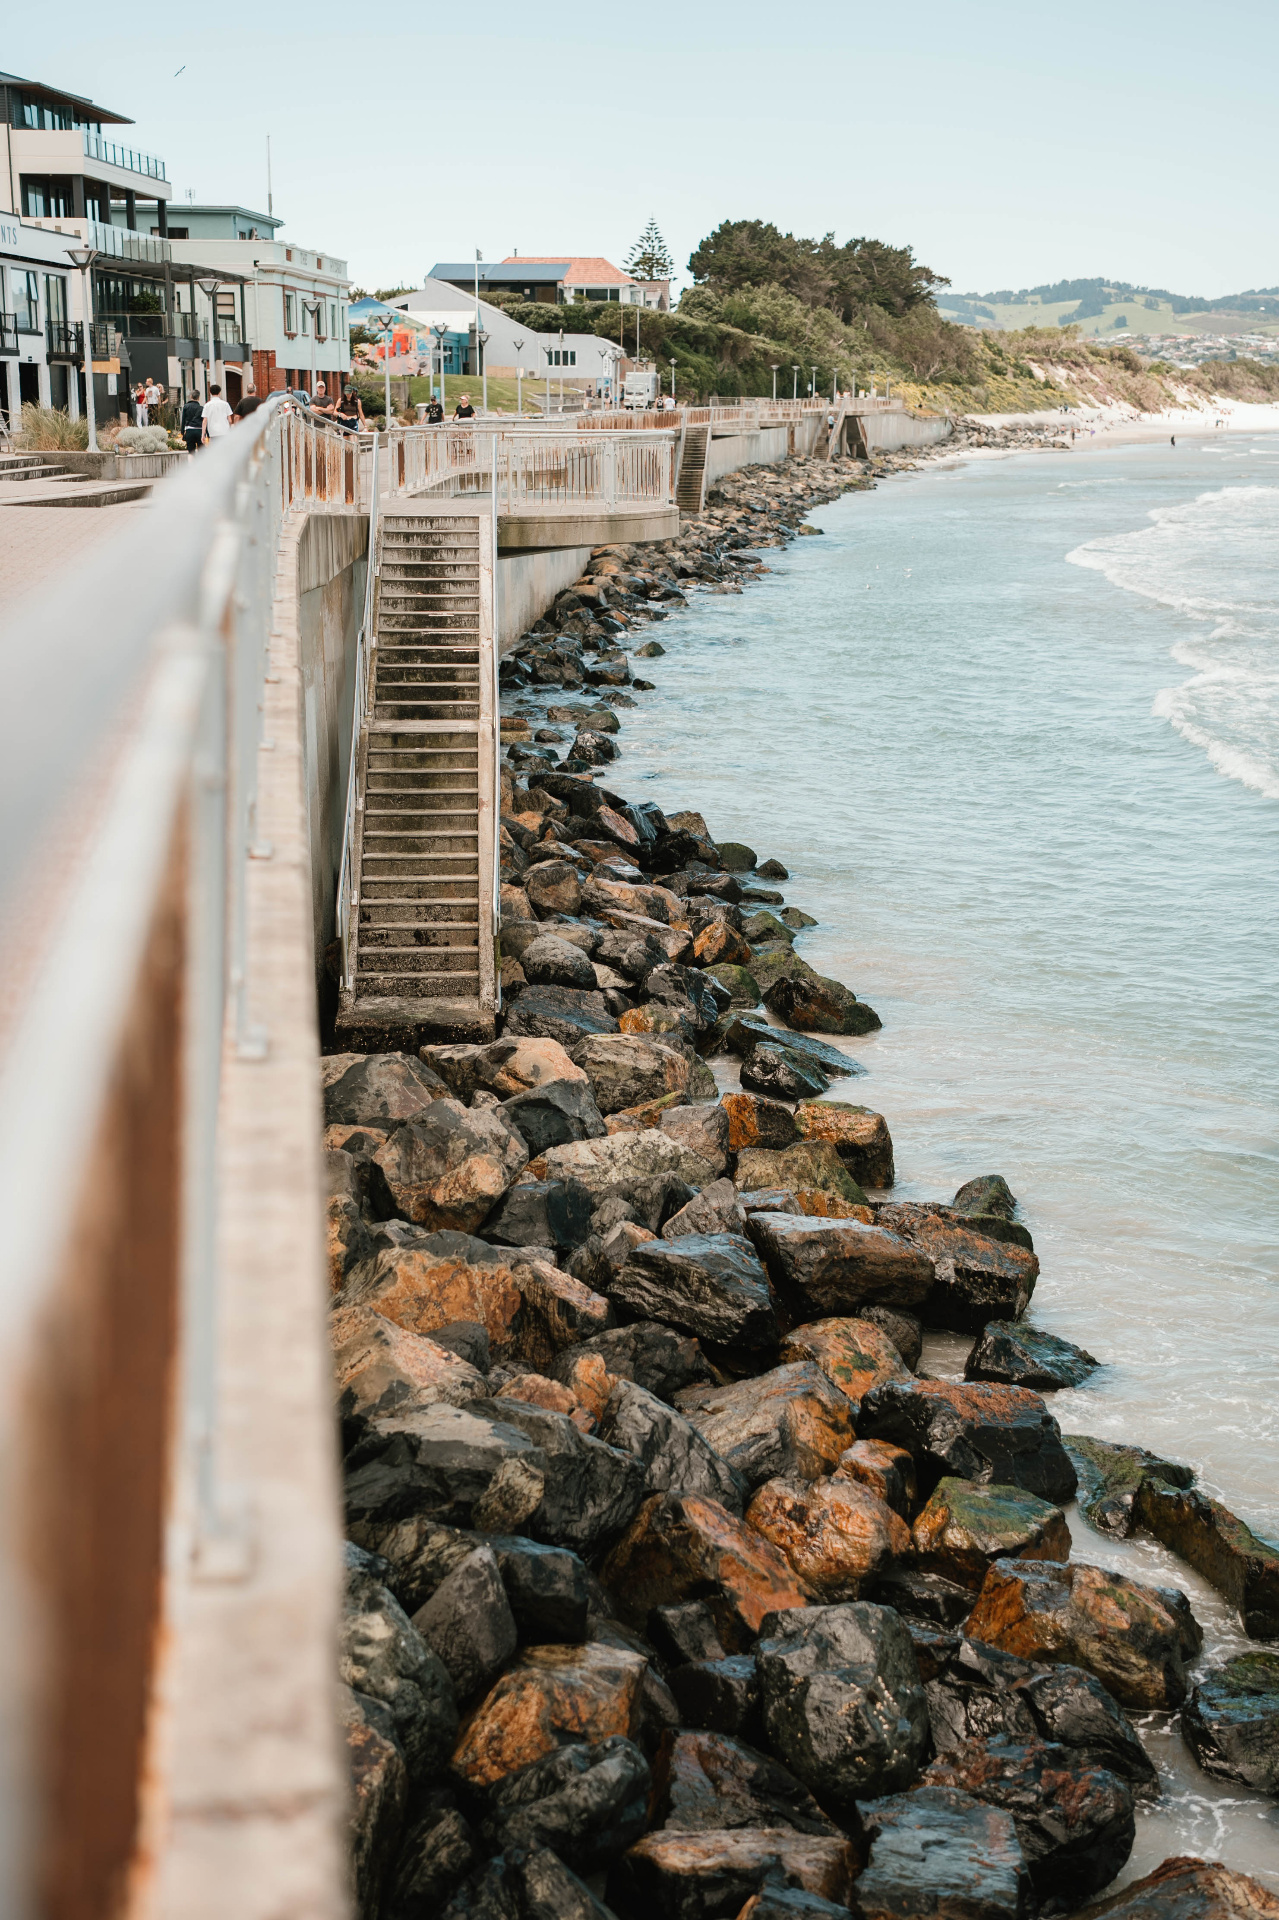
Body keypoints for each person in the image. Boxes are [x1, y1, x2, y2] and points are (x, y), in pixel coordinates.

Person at [181, 391, 204, 455]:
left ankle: (191, 464)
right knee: (201, 451)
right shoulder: (201, 408)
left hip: (189, 429)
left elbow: (183, 420)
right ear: (198, 398)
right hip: (199, 430)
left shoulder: (186, 407)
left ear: (191, 397)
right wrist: (206, 433)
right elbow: (204, 421)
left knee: (191, 452)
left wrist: (182, 432)